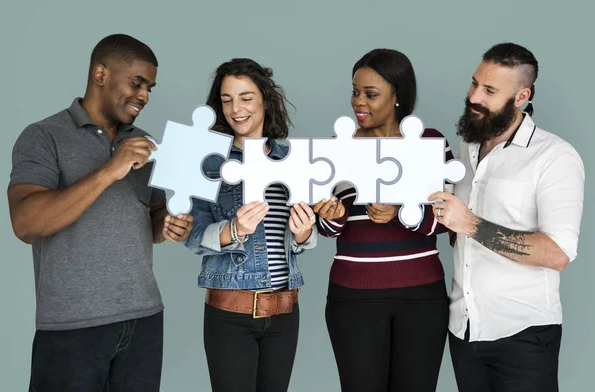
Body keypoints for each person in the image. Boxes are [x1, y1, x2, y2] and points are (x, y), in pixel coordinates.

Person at [7, 34, 193, 392]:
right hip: (71, 327)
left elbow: (151, 218)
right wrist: (110, 169)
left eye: (150, 88)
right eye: (137, 83)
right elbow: (26, 223)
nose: (145, 96)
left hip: (144, 320)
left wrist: (168, 224)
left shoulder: (144, 142)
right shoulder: (43, 137)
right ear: (100, 74)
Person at [429, 42, 585, 392]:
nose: (473, 96)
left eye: (489, 90)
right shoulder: (465, 151)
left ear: (521, 96)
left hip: (523, 335)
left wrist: (470, 223)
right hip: (464, 331)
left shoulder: (555, 157)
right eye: (474, 83)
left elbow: (557, 253)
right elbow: (457, 233)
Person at [313, 48, 455, 392]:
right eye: (355, 91)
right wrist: (332, 217)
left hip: (422, 297)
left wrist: (404, 213)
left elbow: (449, 220)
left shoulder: (431, 144)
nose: (358, 102)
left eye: (370, 94)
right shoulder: (337, 147)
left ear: (397, 97)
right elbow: (327, 229)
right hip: (353, 298)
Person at [184, 58, 318, 392]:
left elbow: (299, 239)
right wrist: (234, 230)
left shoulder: (292, 158)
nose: (236, 108)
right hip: (231, 313)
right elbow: (193, 235)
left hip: (286, 311)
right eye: (227, 99)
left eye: (245, 97)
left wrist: (304, 233)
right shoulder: (209, 161)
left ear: (265, 100)